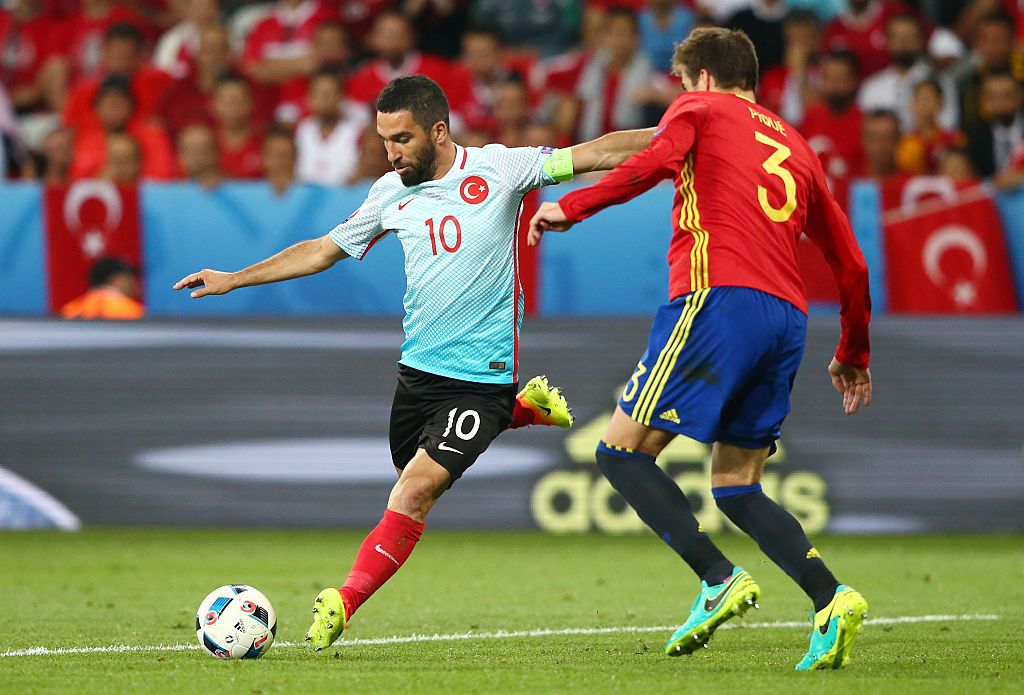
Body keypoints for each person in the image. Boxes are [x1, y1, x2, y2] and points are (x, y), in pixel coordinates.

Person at [173, 74, 653, 649]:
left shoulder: (501, 168)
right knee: (409, 470)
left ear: (439, 131)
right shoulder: (389, 192)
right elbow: (324, 249)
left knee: (414, 492)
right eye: (383, 139)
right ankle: (519, 410)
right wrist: (235, 278)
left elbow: (597, 152)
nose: (390, 152)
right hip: (417, 375)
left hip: (479, 378)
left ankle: (343, 602)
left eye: (401, 139)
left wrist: (684, 128)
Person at [529, 27, 872, 671]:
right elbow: (851, 265)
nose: (679, 96)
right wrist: (854, 350)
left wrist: (572, 207)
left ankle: (716, 578)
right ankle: (830, 599)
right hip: (787, 319)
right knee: (737, 484)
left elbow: (655, 162)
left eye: (683, 83)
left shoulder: (699, 109)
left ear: (704, 79)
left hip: (716, 298)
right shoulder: (795, 145)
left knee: (620, 450)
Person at [60, 256, 145, 320]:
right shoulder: (135, 312)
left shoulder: (69, 311)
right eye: (130, 276)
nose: (135, 282)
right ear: (117, 279)